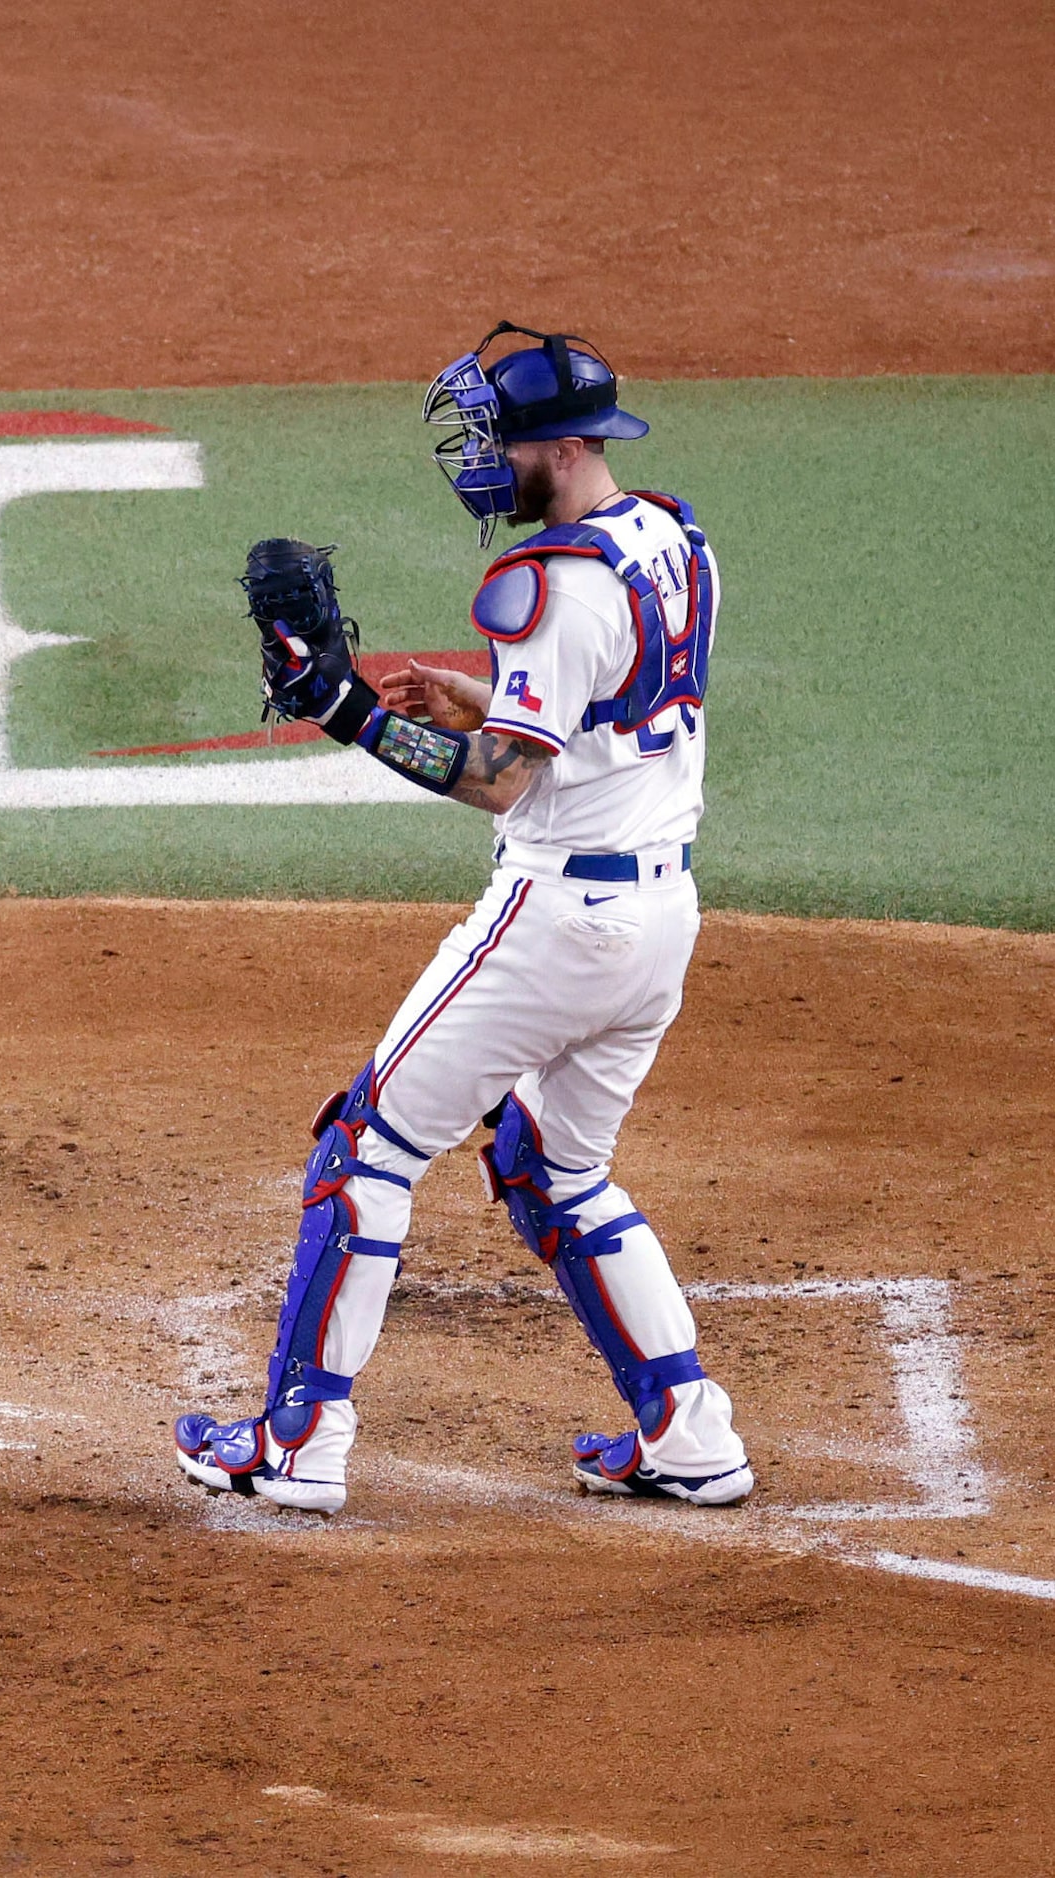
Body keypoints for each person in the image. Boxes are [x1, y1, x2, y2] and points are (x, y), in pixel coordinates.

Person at [174, 325, 750, 1514]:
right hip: (659, 919)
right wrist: (482, 695)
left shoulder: (543, 583)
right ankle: (692, 1435)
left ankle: (298, 1444)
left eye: (500, 441)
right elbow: (607, 706)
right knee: (555, 1163)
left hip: (556, 923)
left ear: (568, 444)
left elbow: (498, 780)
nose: (482, 462)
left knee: (366, 1150)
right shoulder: (669, 539)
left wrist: (347, 709)